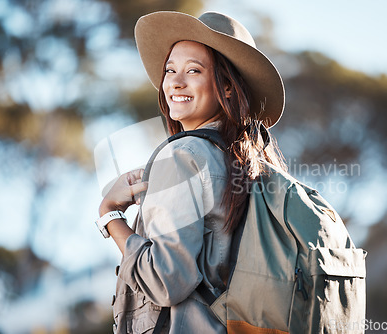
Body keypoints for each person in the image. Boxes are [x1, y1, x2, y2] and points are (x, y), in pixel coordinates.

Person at [95, 11, 287, 333]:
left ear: (227, 87)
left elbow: (166, 280)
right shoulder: (253, 163)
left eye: (193, 70)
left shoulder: (182, 155)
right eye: (170, 70)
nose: (175, 82)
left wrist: (109, 215)